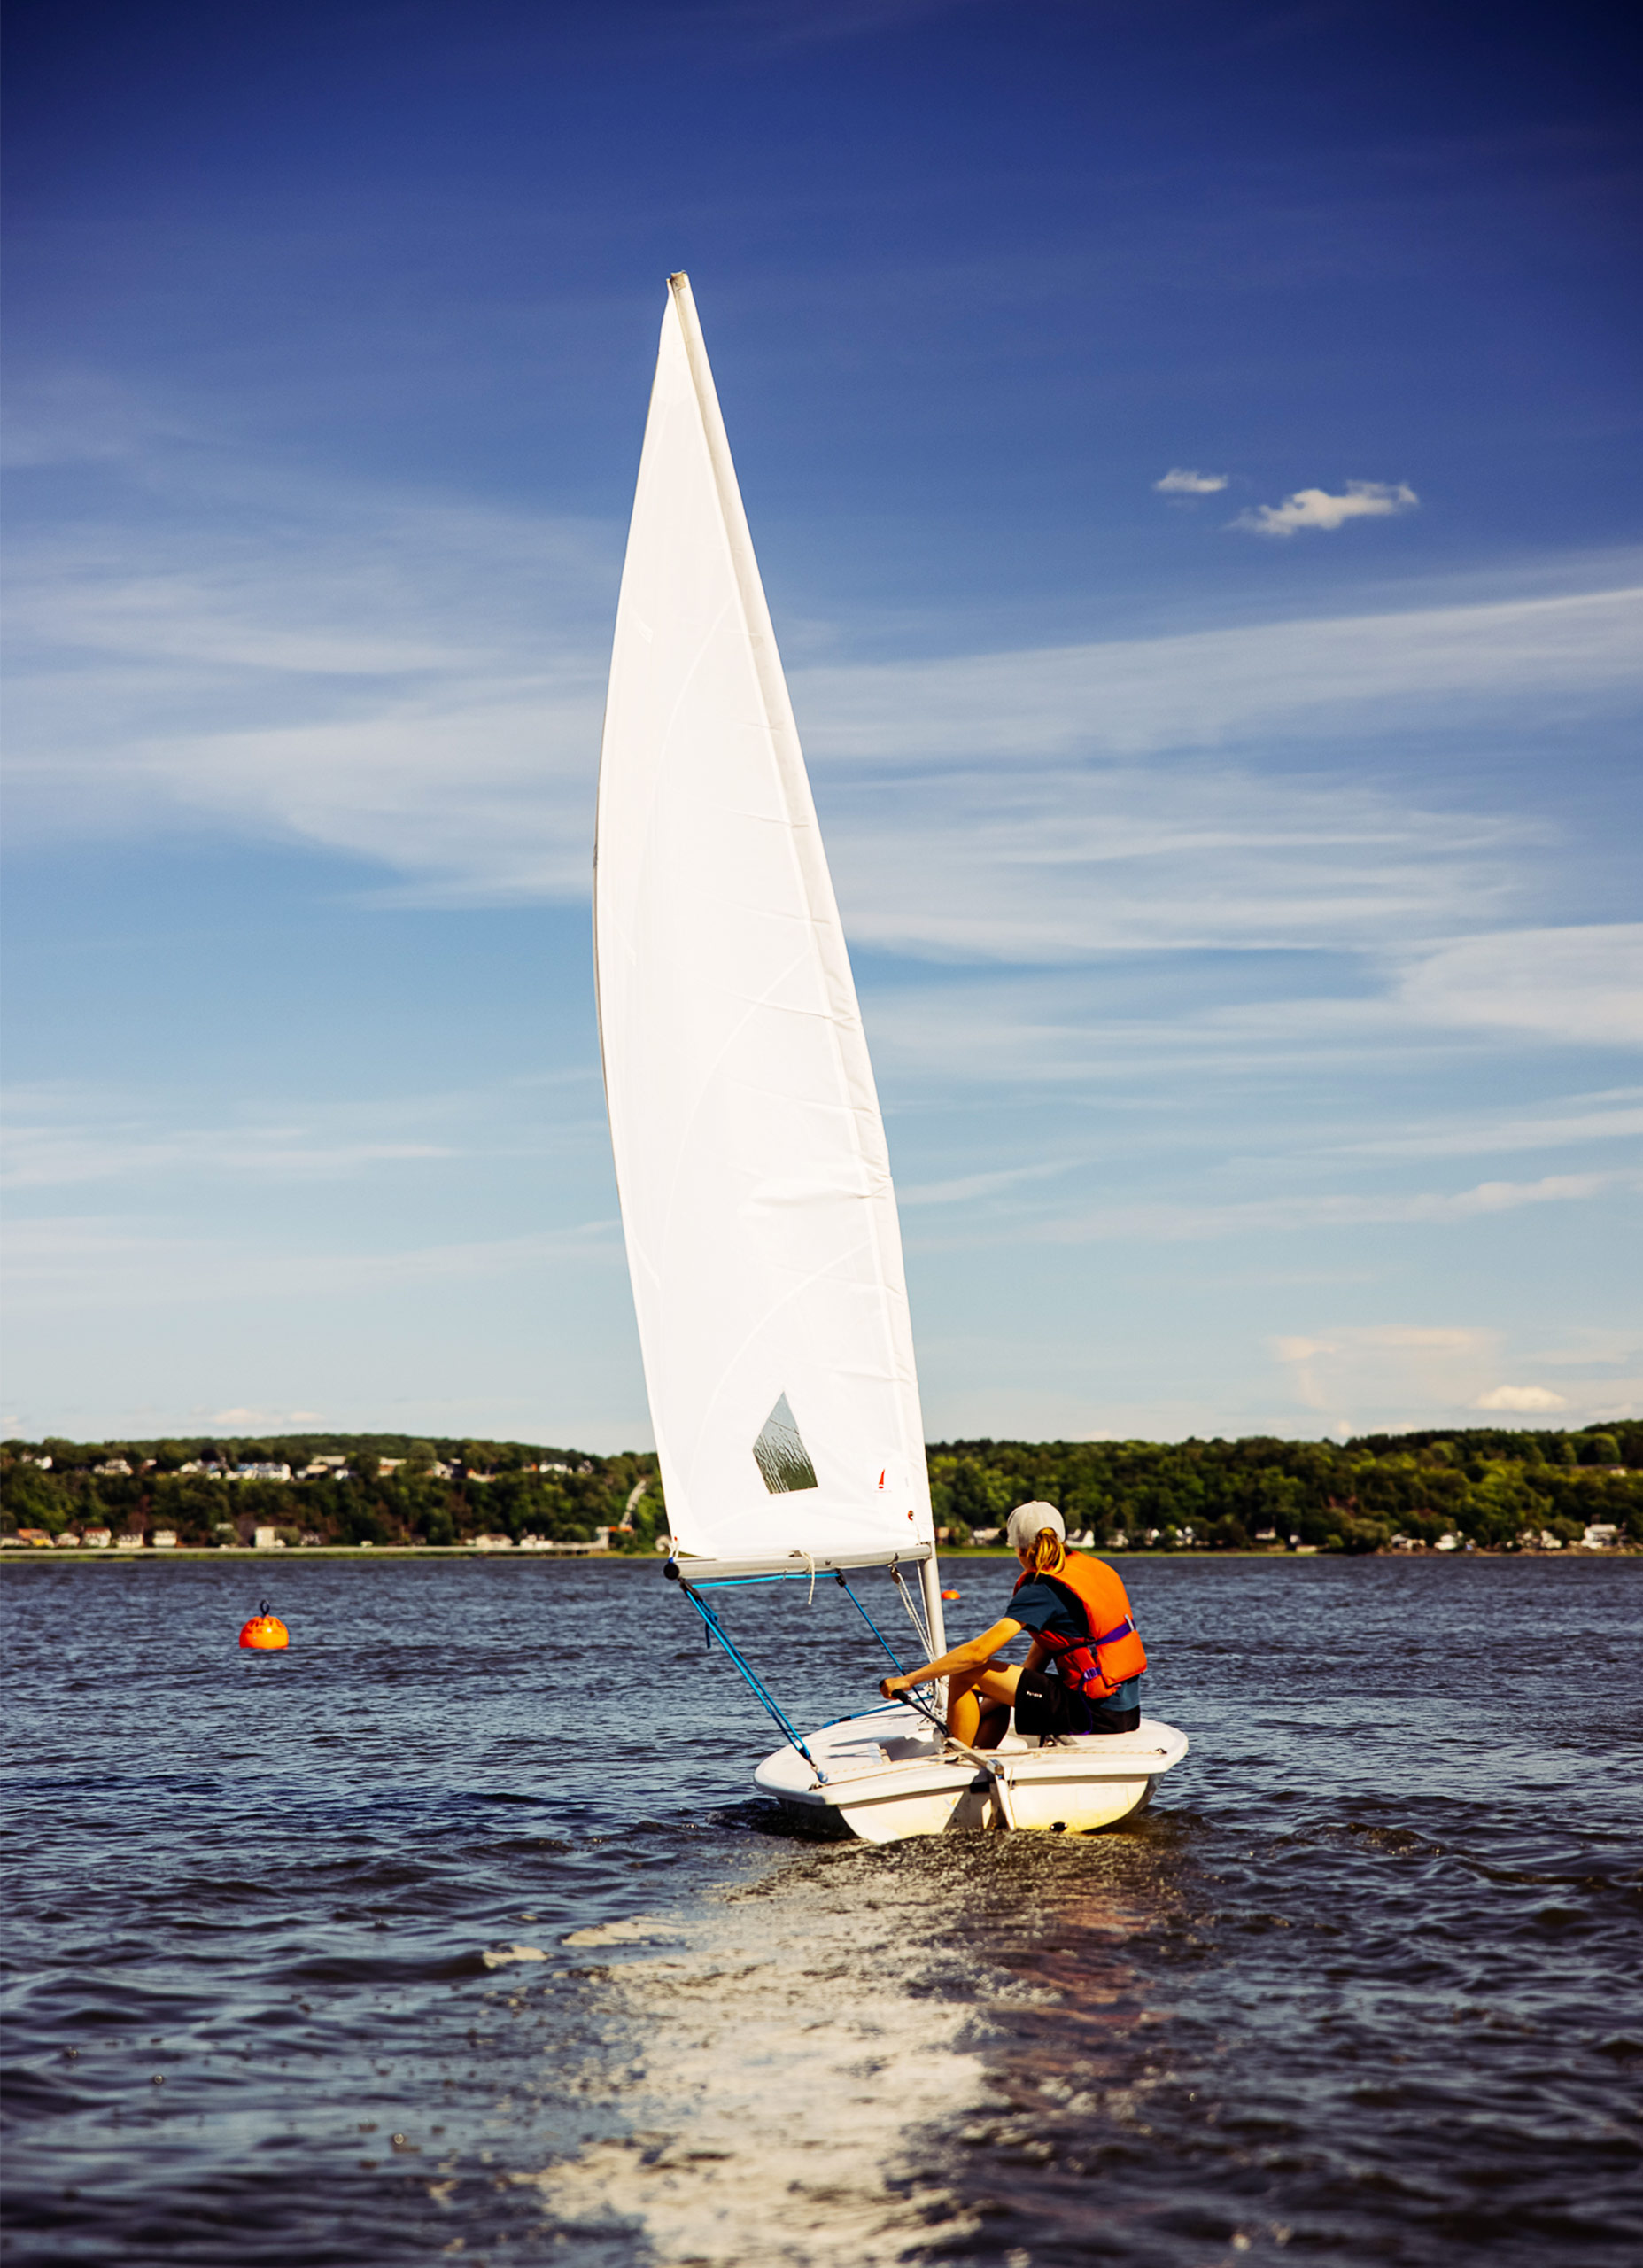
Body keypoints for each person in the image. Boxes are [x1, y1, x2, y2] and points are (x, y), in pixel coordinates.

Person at [879, 1501, 1147, 1747]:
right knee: (994, 1684)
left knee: (967, 1673)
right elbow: (1034, 1665)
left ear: (1020, 1549)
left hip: (1091, 1712)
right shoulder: (1088, 1570)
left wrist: (909, 1680)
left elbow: (976, 1654)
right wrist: (986, 1702)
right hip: (1124, 1713)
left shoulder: (1042, 1588)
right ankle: (978, 1755)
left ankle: (955, 1759)